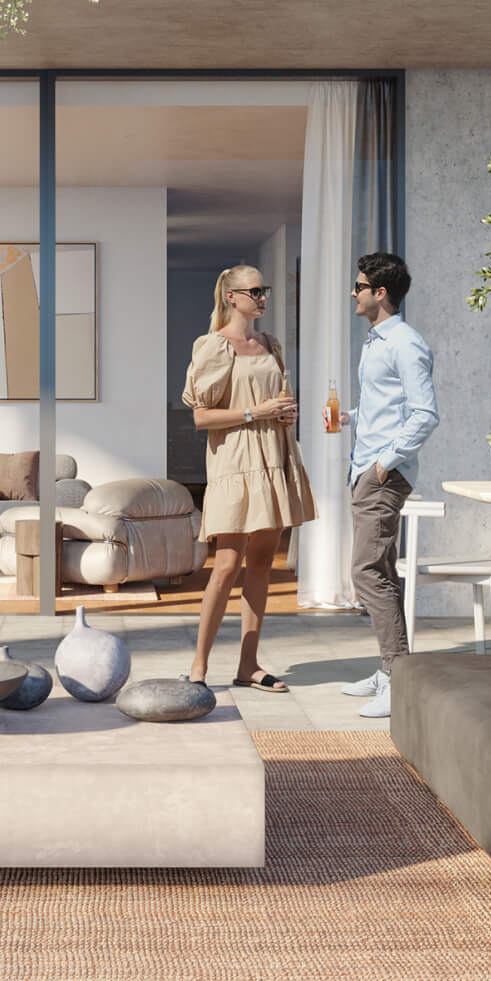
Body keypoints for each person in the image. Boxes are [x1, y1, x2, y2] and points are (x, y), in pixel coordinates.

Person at [181, 265, 316, 691]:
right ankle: (198, 667)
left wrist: (286, 412)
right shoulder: (213, 347)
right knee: (224, 565)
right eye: (254, 290)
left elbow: (278, 400)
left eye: (265, 289)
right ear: (231, 296)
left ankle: (248, 666)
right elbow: (201, 417)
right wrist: (253, 413)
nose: (262, 297)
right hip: (235, 463)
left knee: (262, 563)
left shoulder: (270, 344)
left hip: (275, 456)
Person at [326, 252, 438, 718]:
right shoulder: (375, 341)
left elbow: (425, 414)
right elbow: (388, 405)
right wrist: (351, 418)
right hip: (365, 468)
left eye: (359, 286)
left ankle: (397, 678)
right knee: (383, 573)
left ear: (380, 293)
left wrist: (383, 465)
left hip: (381, 475)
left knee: (366, 572)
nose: (353, 293)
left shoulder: (404, 343)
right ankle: (392, 670)